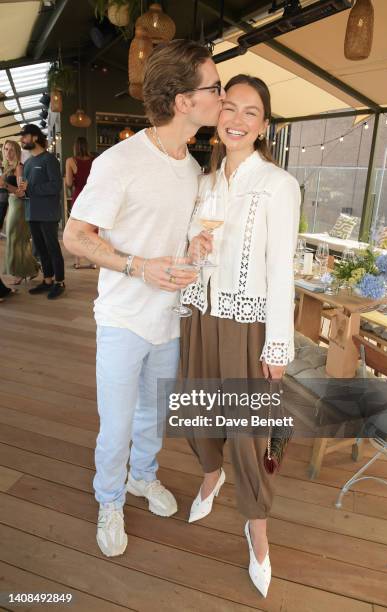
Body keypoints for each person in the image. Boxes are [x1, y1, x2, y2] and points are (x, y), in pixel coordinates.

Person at [63, 39, 225, 558]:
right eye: (215, 87)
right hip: (122, 318)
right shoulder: (122, 160)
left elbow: (173, 236)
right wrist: (137, 266)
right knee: (116, 421)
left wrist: (193, 244)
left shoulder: (192, 168)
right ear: (183, 100)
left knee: (154, 415)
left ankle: (143, 477)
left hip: (169, 320)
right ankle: (108, 499)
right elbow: (75, 235)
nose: (221, 96)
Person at [180, 74, 301, 598]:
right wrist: (194, 249)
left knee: (250, 437)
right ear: (217, 116)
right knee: (198, 410)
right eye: (229, 106)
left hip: (249, 323)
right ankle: (211, 472)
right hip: (202, 314)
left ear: (264, 126)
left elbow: (282, 272)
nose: (236, 118)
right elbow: (192, 250)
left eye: (251, 112)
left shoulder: (278, 185)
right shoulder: (202, 184)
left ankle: (257, 530)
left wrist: (278, 345)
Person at [16, 124, 65, 300]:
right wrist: (22, 193)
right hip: (32, 212)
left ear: (35, 137)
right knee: (40, 249)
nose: (22, 139)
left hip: (48, 214)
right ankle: (47, 280)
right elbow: (27, 189)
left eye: (24, 136)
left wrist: (31, 189)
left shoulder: (49, 159)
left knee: (52, 248)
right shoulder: (28, 163)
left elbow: (56, 186)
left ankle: (60, 282)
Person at [0, 140, 39, 284]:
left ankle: (20, 272)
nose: (8, 153)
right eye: (6, 149)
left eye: (11, 150)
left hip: (19, 205)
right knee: (16, 238)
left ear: (17, 151)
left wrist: (4, 184)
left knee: (16, 238)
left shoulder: (19, 168)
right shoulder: (7, 167)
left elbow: (21, 192)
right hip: (11, 204)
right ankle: (32, 268)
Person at [65, 137, 95, 269]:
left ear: (75, 147)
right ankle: (93, 260)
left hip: (79, 197)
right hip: (93, 197)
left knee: (77, 228)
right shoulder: (94, 160)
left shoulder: (70, 161)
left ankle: (78, 261)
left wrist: (68, 178)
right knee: (92, 229)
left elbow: (69, 183)